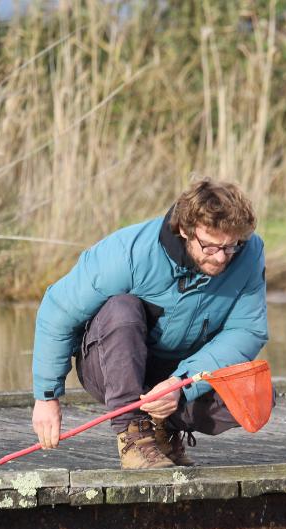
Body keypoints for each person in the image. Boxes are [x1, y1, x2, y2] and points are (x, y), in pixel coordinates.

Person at [30, 177, 268, 469]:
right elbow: (58, 311)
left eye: (231, 246)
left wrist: (181, 384)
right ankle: (133, 435)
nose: (221, 258)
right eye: (209, 246)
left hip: (181, 372)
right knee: (121, 308)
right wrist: (47, 398)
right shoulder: (127, 253)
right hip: (109, 365)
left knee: (255, 395)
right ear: (185, 230)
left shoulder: (249, 253)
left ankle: (164, 427)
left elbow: (247, 330)